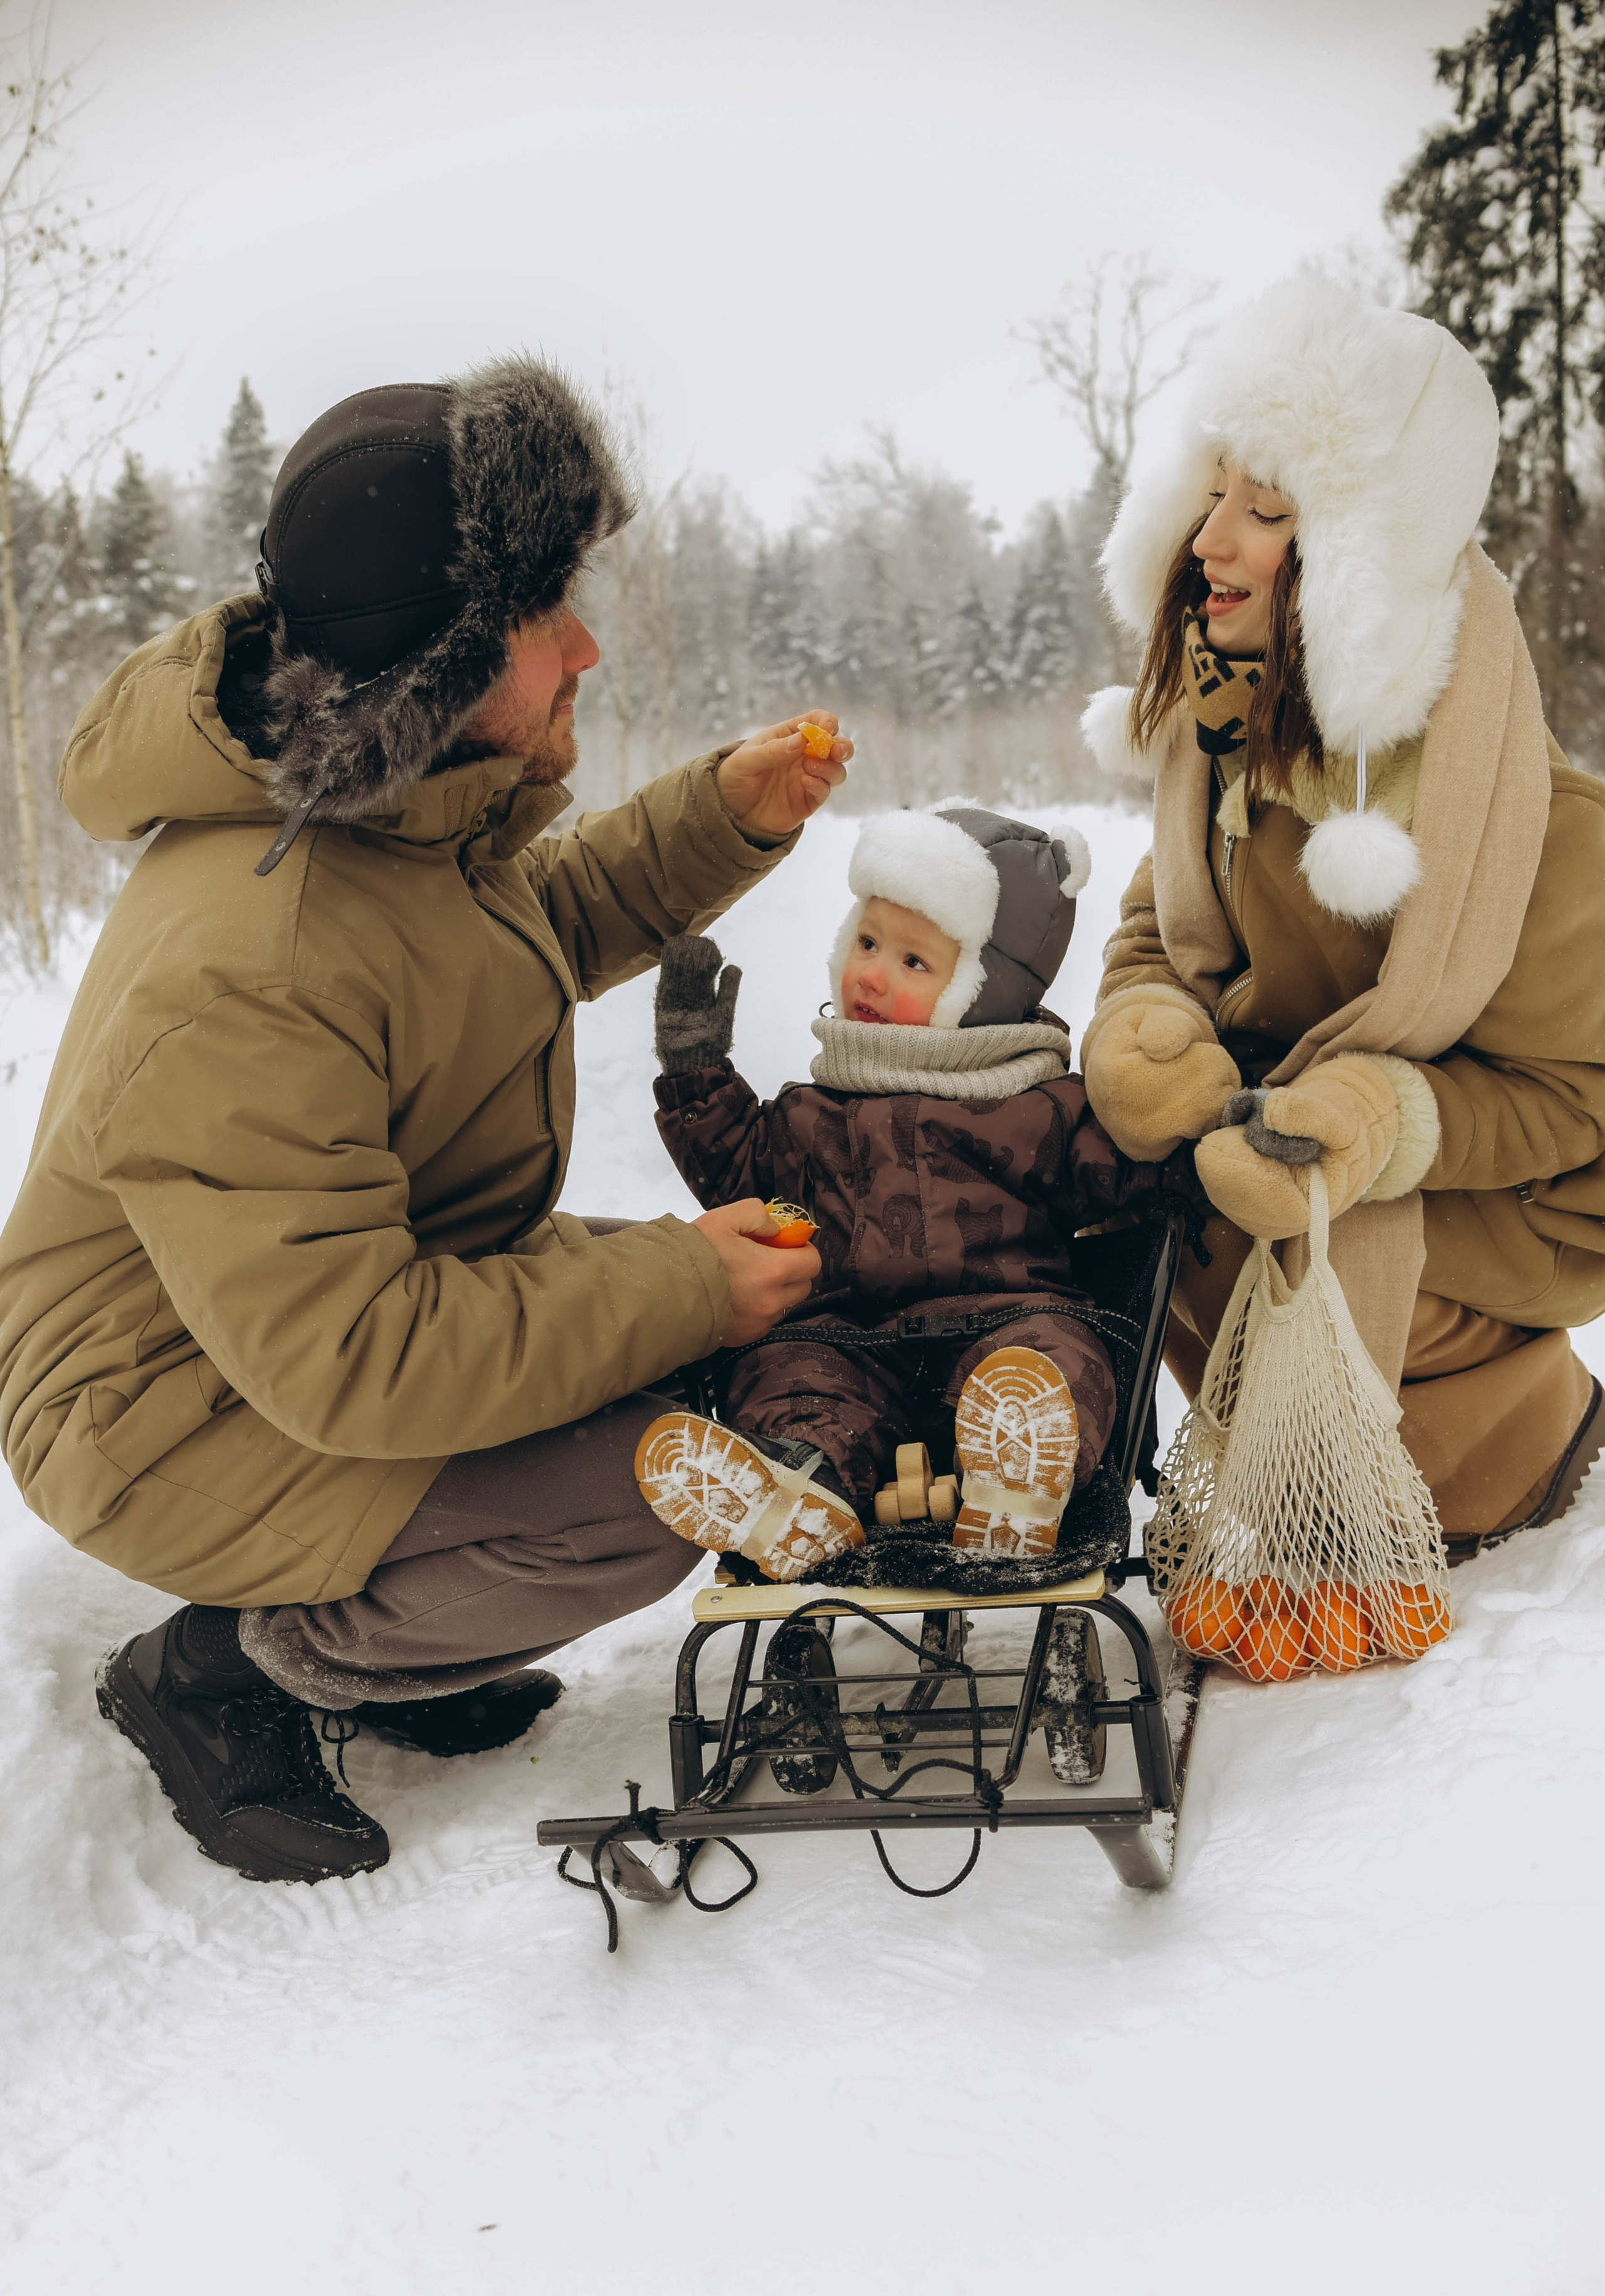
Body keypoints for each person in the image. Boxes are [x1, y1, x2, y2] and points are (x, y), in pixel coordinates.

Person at [0, 360, 852, 1886]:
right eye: (546, 617)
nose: (587, 642)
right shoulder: (252, 961)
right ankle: (236, 1668)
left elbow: (506, 944)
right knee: (654, 1485)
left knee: (690, 1356)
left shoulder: (394, 810)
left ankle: (410, 1619)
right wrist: (680, 1276)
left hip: (283, 1331)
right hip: (155, 1409)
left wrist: (719, 816)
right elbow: (359, 1354)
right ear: (442, 662)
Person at [1078, 275, 1605, 1563]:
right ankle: (1275, 1461)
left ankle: (1498, 1448)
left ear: (1361, 560)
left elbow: (1573, 1107)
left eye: (1265, 512)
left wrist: (1382, 1123)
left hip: (1512, 1207)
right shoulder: (1225, 737)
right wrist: (1144, 1019)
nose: (1211, 538)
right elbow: (1159, 924)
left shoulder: (1547, 827)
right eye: (1211, 495)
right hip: (1274, 1137)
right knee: (1109, 1192)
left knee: (1286, 1229)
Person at [633, 806, 1200, 1580]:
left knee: (1059, 1359)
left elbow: (1132, 1170)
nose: (870, 974)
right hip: (841, 1343)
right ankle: (798, 1485)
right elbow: (737, 1173)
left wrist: (1200, 1129)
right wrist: (695, 1067)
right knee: (787, 1378)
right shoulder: (811, 1110)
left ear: (984, 989)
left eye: (913, 962)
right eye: (866, 943)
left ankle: (1016, 1478)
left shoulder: (1043, 1107)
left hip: (1005, 1327)